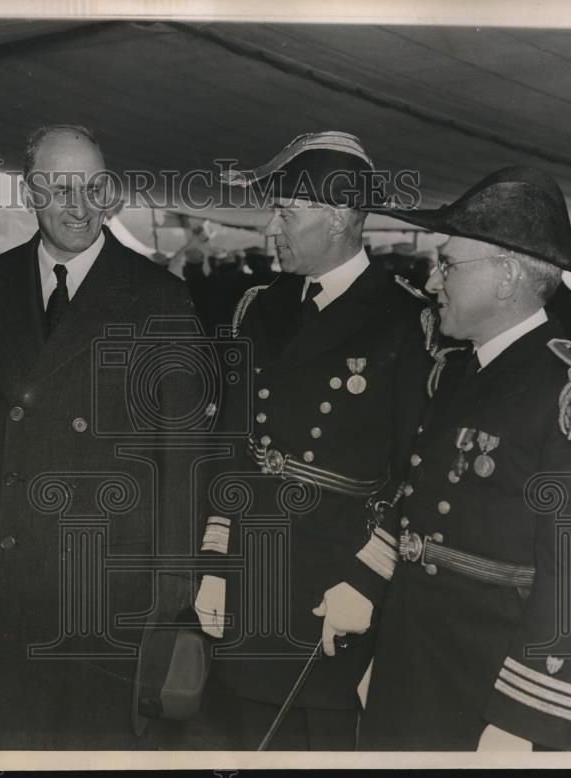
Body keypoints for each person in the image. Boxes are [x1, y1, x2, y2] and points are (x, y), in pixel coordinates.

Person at [347, 166, 571, 751]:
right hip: (422, 672)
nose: (433, 282)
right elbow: (419, 503)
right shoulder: (460, 371)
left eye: (449, 264)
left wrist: (521, 720)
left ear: (506, 277)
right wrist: (379, 624)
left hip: (496, 697)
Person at [0, 124, 199, 749]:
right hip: (9, 574)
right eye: (59, 189)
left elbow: (183, 456)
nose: (78, 206)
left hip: (108, 581)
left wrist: (172, 590)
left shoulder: (159, 297)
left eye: (92, 187)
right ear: (30, 193)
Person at [189, 131, 433, 749]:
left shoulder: (407, 322)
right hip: (255, 574)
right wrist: (215, 565)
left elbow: (417, 472)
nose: (272, 227)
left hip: (339, 588)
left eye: (287, 213)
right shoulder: (257, 308)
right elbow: (230, 445)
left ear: (341, 217)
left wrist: (368, 580)